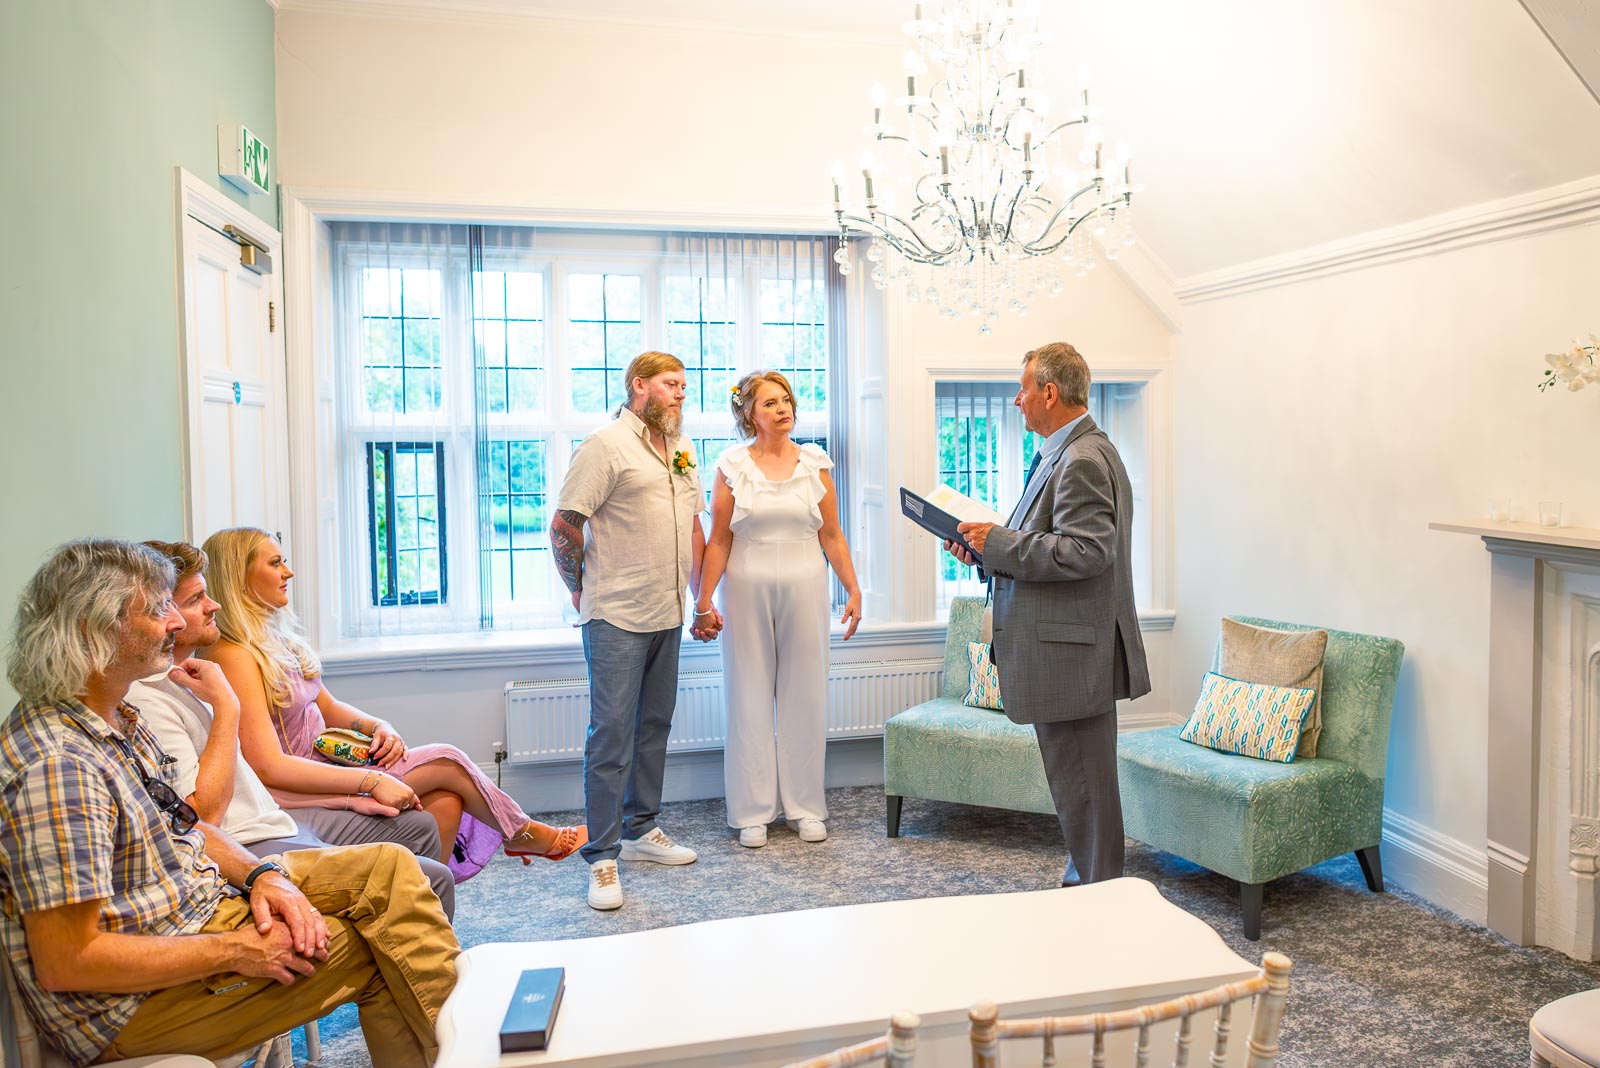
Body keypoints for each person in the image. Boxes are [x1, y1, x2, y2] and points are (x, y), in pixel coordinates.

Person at [0, 539, 458, 1068]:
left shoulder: (114, 720)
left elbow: (188, 827)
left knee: (391, 869)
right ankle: (475, 1052)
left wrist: (262, 875)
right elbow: (69, 961)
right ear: (91, 631)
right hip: (135, 1006)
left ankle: (470, 1048)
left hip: (195, 908)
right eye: (156, 609)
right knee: (380, 949)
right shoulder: (58, 766)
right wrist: (243, 950)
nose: (175, 623)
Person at [200, 527, 584, 882]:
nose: (289, 572)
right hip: (300, 785)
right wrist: (372, 780)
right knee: (447, 760)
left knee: (447, 802)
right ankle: (524, 832)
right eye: (275, 563)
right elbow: (270, 766)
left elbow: (329, 707)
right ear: (240, 577)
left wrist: (378, 726)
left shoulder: (275, 640)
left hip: (332, 761)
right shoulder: (234, 655)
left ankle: (428, 915)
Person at [127, 540, 455, 919]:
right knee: (436, 861)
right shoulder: (161, 691)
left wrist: (377, 734)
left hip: (274, 816)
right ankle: (525, 838)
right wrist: (227, 709)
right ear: (161, 616)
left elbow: (326, 708)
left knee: (420, 826)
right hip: (249, 839)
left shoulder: (192, 673)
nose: (212, 604)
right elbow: (205, 815)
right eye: (197, 598)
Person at [945, 342, 1150, 886]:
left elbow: (1087, 551)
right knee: (1080, 791)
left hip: (1069, 655)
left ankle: (1101, 898)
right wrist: (985, 551)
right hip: (1066, 649)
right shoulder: (1067, 452)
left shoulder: (1081, 458)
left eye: (1022, 390)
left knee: (1085, 790)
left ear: (1049, 393)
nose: (1016, 401)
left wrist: (999, 544)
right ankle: (1087, 881)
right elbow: (1042, 543)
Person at [551, 350, 708, 910]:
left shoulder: (683, 450)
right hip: (615, 614)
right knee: (611, 734)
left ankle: (641, 830)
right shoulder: (604, 446)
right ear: (639, 387)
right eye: (671, 384)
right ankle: (602, 856)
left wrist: (699, 600)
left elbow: (691, 527)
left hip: (667, 612)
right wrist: (576, 585)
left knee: (654, 726)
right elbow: (565, 525)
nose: (681, 393)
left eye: (684, 385)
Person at [693, 370, 862, 848]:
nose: (782, 408)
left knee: (805, 695)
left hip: (806, 587)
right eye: (770, 403)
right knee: (747, 696)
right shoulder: (731, 465)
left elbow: (831, 534)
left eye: (786, 400)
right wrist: (703, 603)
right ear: (749, 413)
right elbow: (720, 540)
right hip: (745, 590)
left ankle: (805, 807)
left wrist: (852, 589)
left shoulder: (815, 462)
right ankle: (751, 811)